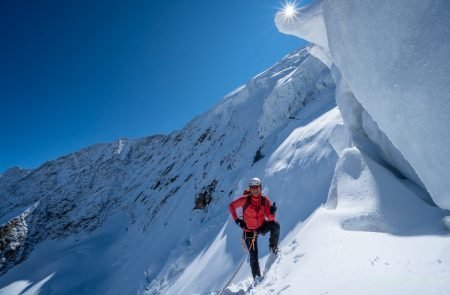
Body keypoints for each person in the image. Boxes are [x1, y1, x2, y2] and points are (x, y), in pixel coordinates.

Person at [228, 177, 280, 280]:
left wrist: (272, 212)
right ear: (250, 189)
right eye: (253, 188)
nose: (255, 190)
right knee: (253, 255)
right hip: (249, 230)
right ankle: (257, 279)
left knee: (275, 226)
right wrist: (238, 221)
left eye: (257, 188)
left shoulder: (264, 201)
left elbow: (270, 218)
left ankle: (273, 248)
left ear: (261, 188)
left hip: (261, 226)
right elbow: (231, 206)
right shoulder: (245, 200)